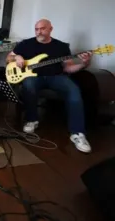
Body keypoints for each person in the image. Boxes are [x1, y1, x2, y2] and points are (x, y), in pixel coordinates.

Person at [6, 19, 92, 153]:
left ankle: (78, 133)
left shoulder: (61, 46)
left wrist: (84, 64)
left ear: (50, 29)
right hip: (34, 77)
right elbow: (8, 58)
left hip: (57, 77)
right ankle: (31, 119)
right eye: (36, 29)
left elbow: (68, 68)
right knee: (29, 85)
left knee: (74, 90)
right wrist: (17, 57)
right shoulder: (25, 44)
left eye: (42, 28)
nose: (39, 31)